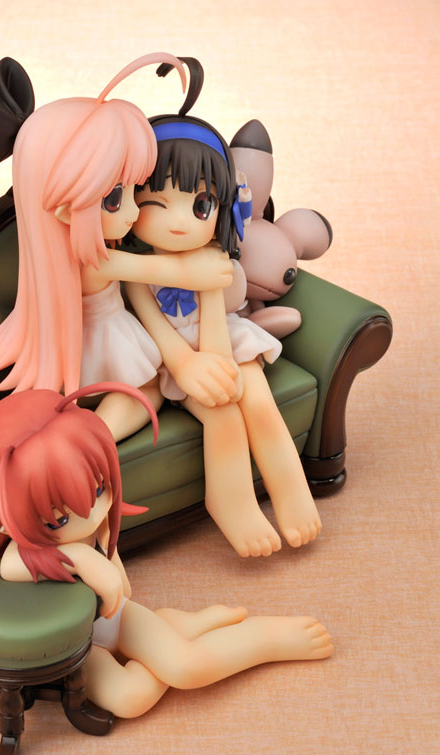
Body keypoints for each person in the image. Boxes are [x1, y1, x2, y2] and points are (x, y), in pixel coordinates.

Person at [0, 384, 333, 719]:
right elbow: (8, 566)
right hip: (80, 647)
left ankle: (264, 637)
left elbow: (121, 592)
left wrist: (104, 563)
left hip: (118, 619)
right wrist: (81, 559)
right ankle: (177, 625)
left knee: (188, 667)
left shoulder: (99, 528)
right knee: (129, 699)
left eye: (99, 491)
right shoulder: (21, 554)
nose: (91, 517)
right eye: (59, 520)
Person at [0, 54, 234, 443]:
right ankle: (87, 442)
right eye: (114, 198)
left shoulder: (80, 251)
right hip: (99, 345)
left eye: (134, 190)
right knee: (147, 391)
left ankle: (84, 441)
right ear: (63, 208)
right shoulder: (90, 262)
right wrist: (199, 270)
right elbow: (158, 271)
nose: (134, 211)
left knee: (150, 390)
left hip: (106, 338)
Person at [125, 96, 322, 558]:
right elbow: (155, 327)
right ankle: (230, 501)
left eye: (200, 205)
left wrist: (220, 365)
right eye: (157, 203)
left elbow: (215, 315)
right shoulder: (135, 269)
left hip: (222, 341)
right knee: (222, 415)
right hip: (176, 357)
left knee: (258, 398)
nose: (179, 222)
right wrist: (187, 366)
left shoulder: (213, 257)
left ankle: (291, 488)